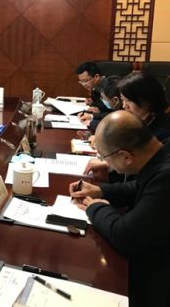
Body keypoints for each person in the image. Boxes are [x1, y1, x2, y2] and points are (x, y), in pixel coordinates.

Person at [70, 111, 170, 307]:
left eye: (105, 157)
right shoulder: (161, 150)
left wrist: (96, 208)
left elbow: (124, 236)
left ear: (125, 156)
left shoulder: (166, 178)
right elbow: (140, 187)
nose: (105, 163)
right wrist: (101, 190)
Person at [84, 72, 170, 180]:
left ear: (146, 101)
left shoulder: (162, 134)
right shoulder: (143, 120)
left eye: (128, 101)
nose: (124, 106)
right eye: (123, 100)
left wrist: (109, 166)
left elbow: (142, 176)